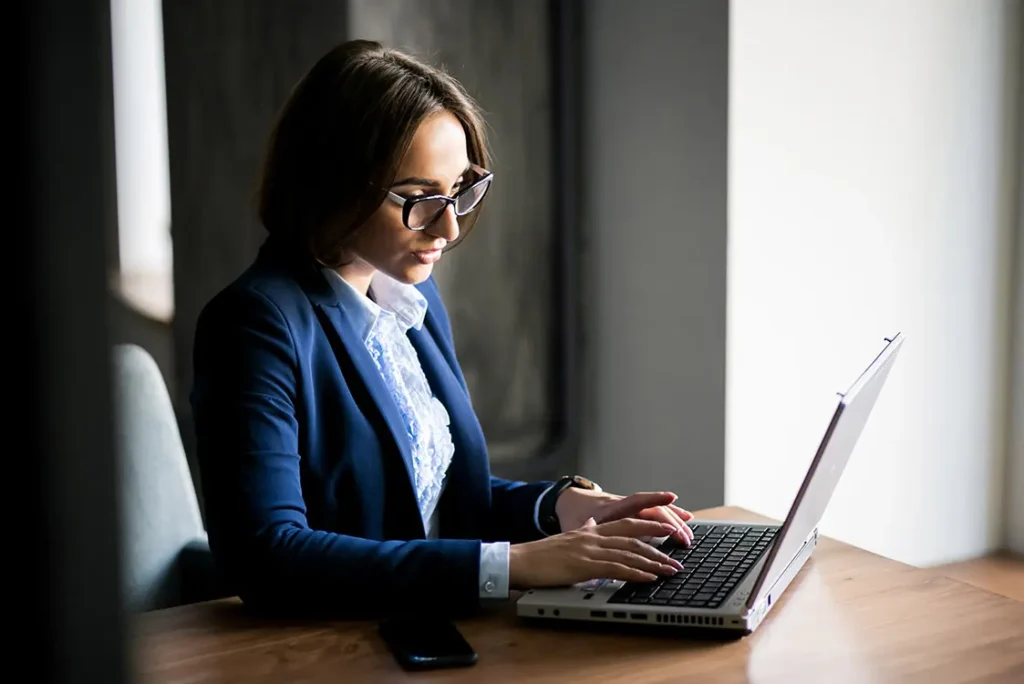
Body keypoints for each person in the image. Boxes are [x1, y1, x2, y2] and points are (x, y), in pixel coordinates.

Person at [190, 39, 694, 618]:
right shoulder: (255, 323)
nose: (449, 228)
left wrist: (559, 510)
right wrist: (517, 563)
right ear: (331, 183)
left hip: (437, 624)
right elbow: (268, 557)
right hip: (332, 647)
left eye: (459, 190)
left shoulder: (409, 295)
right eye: (418, 198)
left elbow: (429, 495)